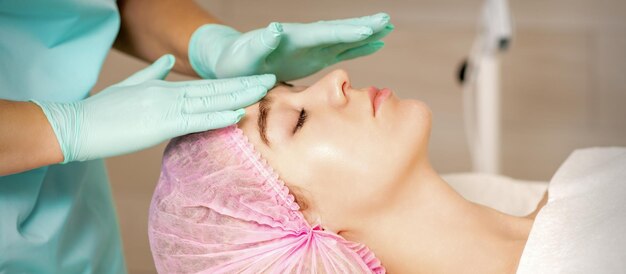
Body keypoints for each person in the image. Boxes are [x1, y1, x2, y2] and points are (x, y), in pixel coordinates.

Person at [0, 0, 393, 271]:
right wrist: (65, 128)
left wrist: (209, 44)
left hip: (65, 221)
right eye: (299, 120)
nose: (337, 79)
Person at [149, 69, 626, 273]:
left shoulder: (578, 186)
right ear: (303, 240)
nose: (336, 80)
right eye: (297, 120)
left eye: (294, 89)